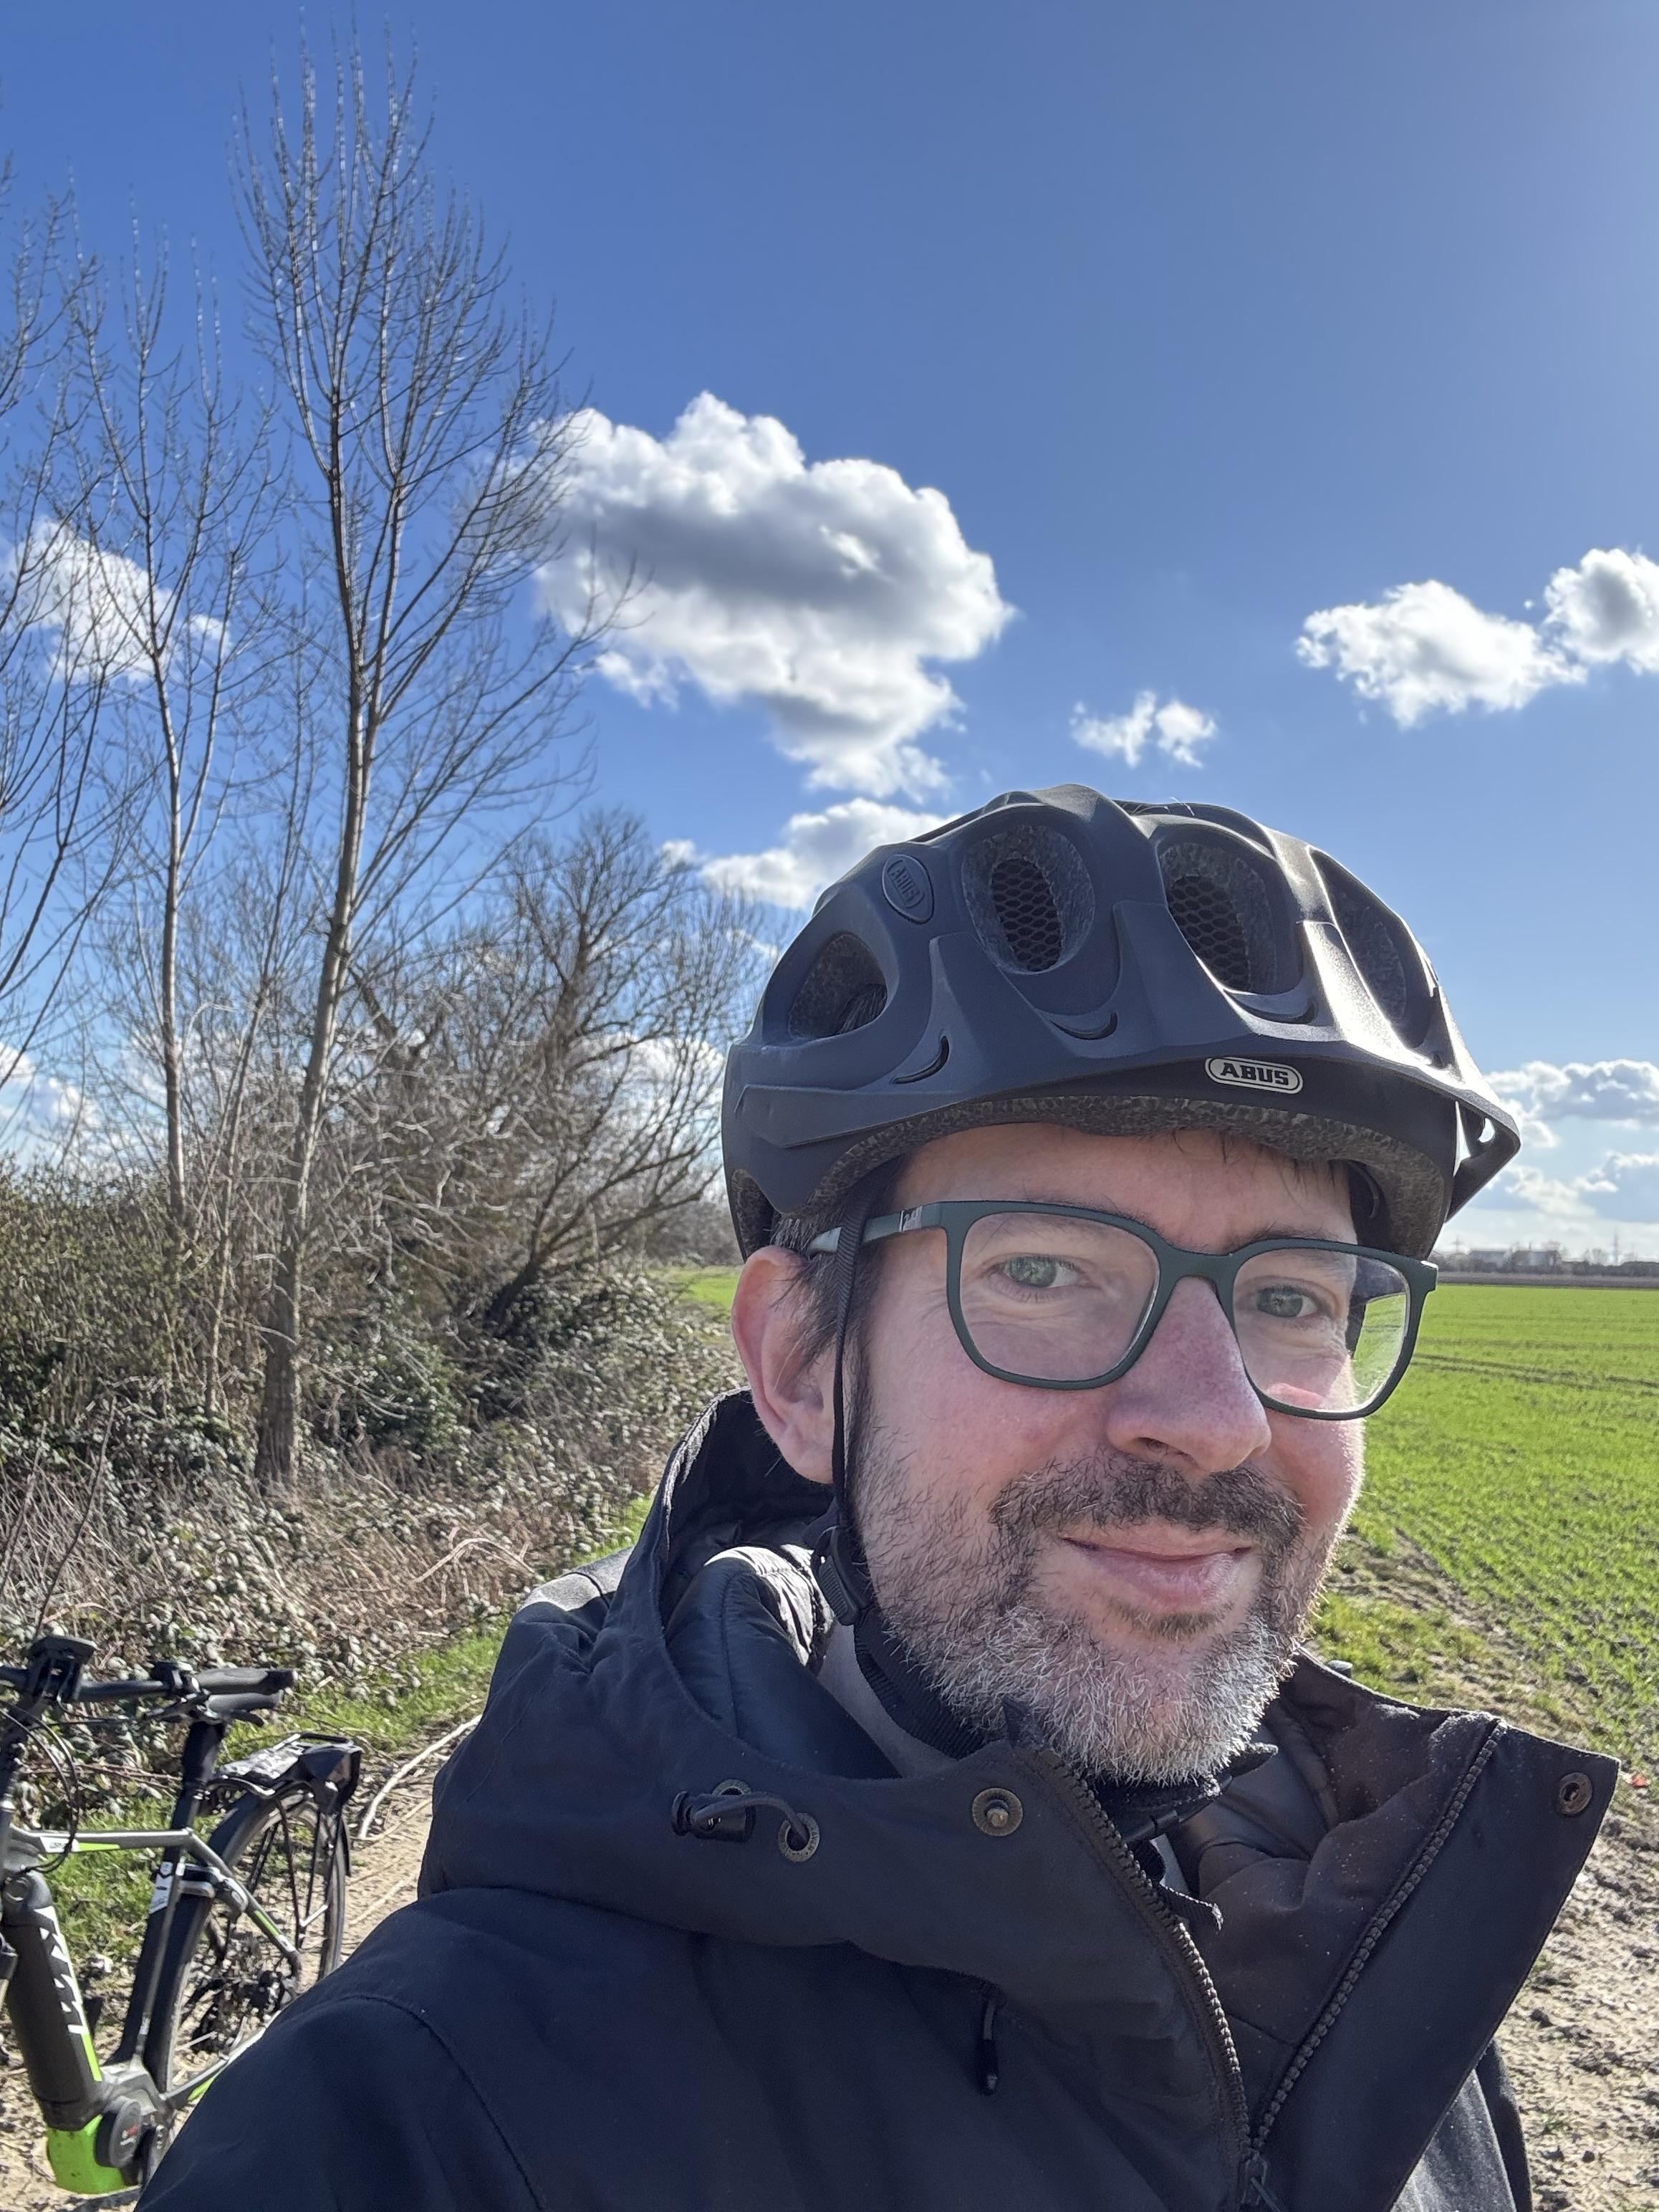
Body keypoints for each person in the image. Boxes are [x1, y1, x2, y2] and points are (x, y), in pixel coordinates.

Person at [141, 785, 1612, 2212]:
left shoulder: (1380, 1945)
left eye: (1292, 1296)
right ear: (801, 1364)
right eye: (1047, 1269)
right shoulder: (410, 2129)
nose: (1217, 1420)